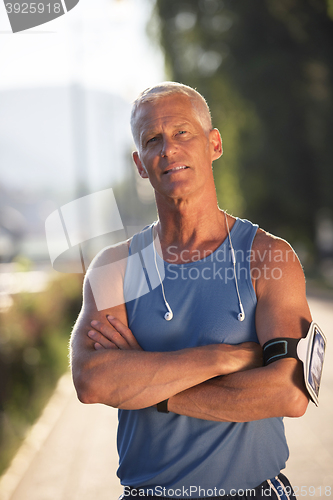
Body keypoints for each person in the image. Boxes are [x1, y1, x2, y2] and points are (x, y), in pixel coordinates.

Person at [70, 82, 312, 500]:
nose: (169, 149)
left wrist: (151, 388)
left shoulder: (268, 258)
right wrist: (226, 358)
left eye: (183, 132)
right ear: (141, 164)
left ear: (213, 144)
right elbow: (92, 382)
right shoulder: (116, 267)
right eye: (152, 140)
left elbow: (289, 392)